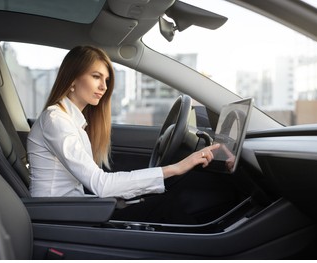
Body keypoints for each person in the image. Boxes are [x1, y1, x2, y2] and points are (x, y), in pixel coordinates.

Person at [27, 45, 220, 223]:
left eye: (106, 80)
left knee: (158, 203)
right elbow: (100, 184)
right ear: (72, 79)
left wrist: (122, 199)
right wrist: (176, 168)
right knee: (165, 207)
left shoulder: (71, 122)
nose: (104, 86)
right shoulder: (56, 120)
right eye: (96, 76)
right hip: (56, 219)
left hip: (70, 210)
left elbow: (79, 190)